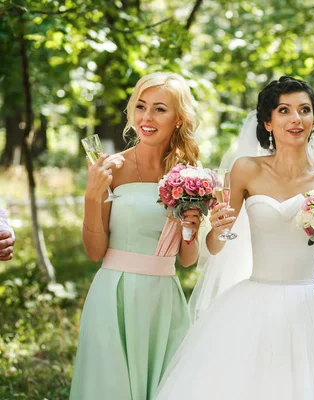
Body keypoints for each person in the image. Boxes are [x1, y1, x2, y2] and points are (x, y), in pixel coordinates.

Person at [154, 76, 314, 399]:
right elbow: (216, 246)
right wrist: (216, 230)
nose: (296, 119)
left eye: (304, 110)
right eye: (284, 110)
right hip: (254, 303)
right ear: (268, 122)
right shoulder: (246, 170)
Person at [70, 72, 202, 400]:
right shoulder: (110, 168)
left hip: (164, 299)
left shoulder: (189, 174)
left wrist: (191, 225)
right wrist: (92, 196)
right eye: (141, 106)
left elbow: (188, 259)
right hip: (115, 293)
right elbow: (94, 251)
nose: (146, 117)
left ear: (178, 119)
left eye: (159, 109)